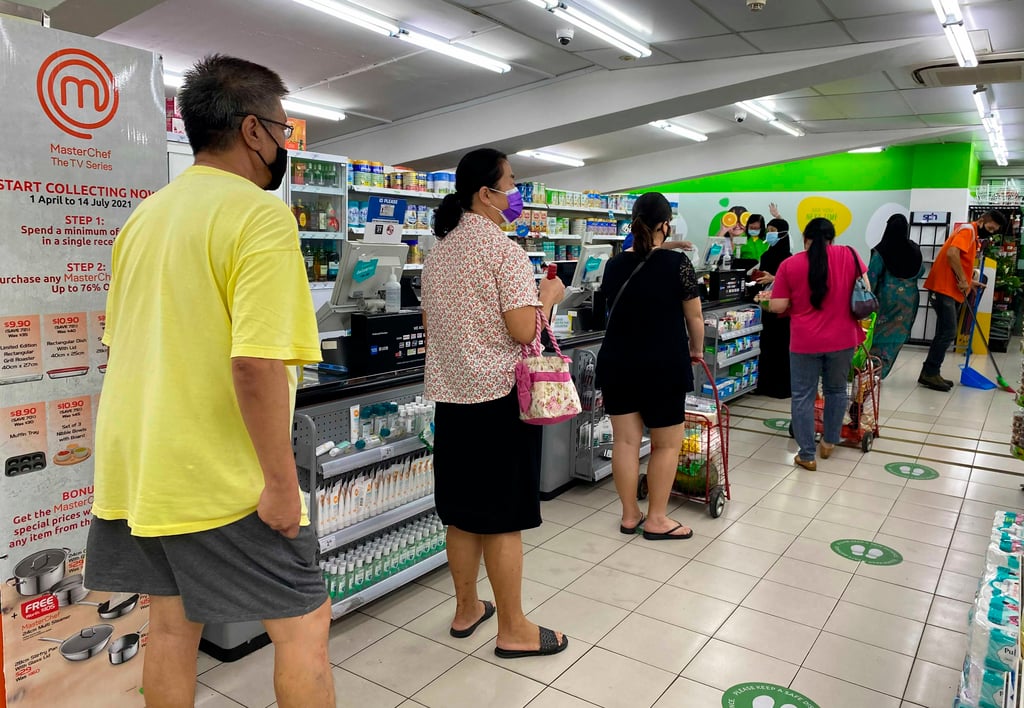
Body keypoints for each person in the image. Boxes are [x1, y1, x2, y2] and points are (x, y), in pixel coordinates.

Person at [85, 56, 335, 708]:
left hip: (139, 466)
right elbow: (254, 365)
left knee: (170, 629)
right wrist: (282, 486)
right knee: (304, 626)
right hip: (219, 472)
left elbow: (126, 346)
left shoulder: (145, 217)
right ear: (254, 131)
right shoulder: (258, 215)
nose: (287, 143)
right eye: (285, 129)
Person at [421, 148, 569, 659]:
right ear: (486, 193)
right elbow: (524, 329)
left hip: (452, 401)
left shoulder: (438, 252)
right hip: (501, 401)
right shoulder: (503, 252)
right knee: (502, 518)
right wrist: (549, 297)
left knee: (461, 514)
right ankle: (514, 629)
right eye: (511, 183)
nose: (516, 193)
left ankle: (467, 609)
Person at [598, 193, 705, 540]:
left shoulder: (613, 264)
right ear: (664, 224)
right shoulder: (678, 265)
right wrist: (696, 350)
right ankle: (657, 518)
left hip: (618, 363)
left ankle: (630, 515)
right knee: (666, 444)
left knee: (626, 444)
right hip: (663, 364)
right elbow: (695, 316)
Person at [771, 218, 867, 471]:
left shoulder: (789, 264)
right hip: (843, 338)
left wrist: (795, 301)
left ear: (805, 239)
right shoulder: (849, 255)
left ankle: (807, 454)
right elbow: (864, 289)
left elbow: (777, 306)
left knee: (803, 396)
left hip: (805, 341)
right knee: (836, 390)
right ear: (832, 239)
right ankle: (829, 441)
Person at [919, 210, 1008, 390]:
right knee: (948, 332)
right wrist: (963, 280)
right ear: (983, 220)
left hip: (950, 288)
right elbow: (952, 254)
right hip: (944, 288)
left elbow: (959, 261)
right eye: (990, 228)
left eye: (994, 231)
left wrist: (969, 280)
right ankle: (930, 373)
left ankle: (930, 372)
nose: (990, 232)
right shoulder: (968, 230)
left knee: (944, 332)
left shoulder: (973, 236)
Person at [868, 214, 925, 379]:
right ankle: (882, 370)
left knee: (878, 334)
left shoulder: (881, 250)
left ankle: (873, 369)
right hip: (909, 300)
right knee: (897, 335)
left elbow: (872, 276)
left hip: (886, 299)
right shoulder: (915, 249)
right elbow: (920, 272)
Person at [751, 218, 793, 398]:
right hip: (767, 308)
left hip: (783, 310)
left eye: (773, 229)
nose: (770, 233)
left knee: (781, 348)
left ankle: (781, 388)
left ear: (783, 233)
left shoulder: (790, 259)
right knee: (766, 346)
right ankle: (763, 385)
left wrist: (774, 278)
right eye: (768, 229)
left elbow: (793, 282)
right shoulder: (766, 255)